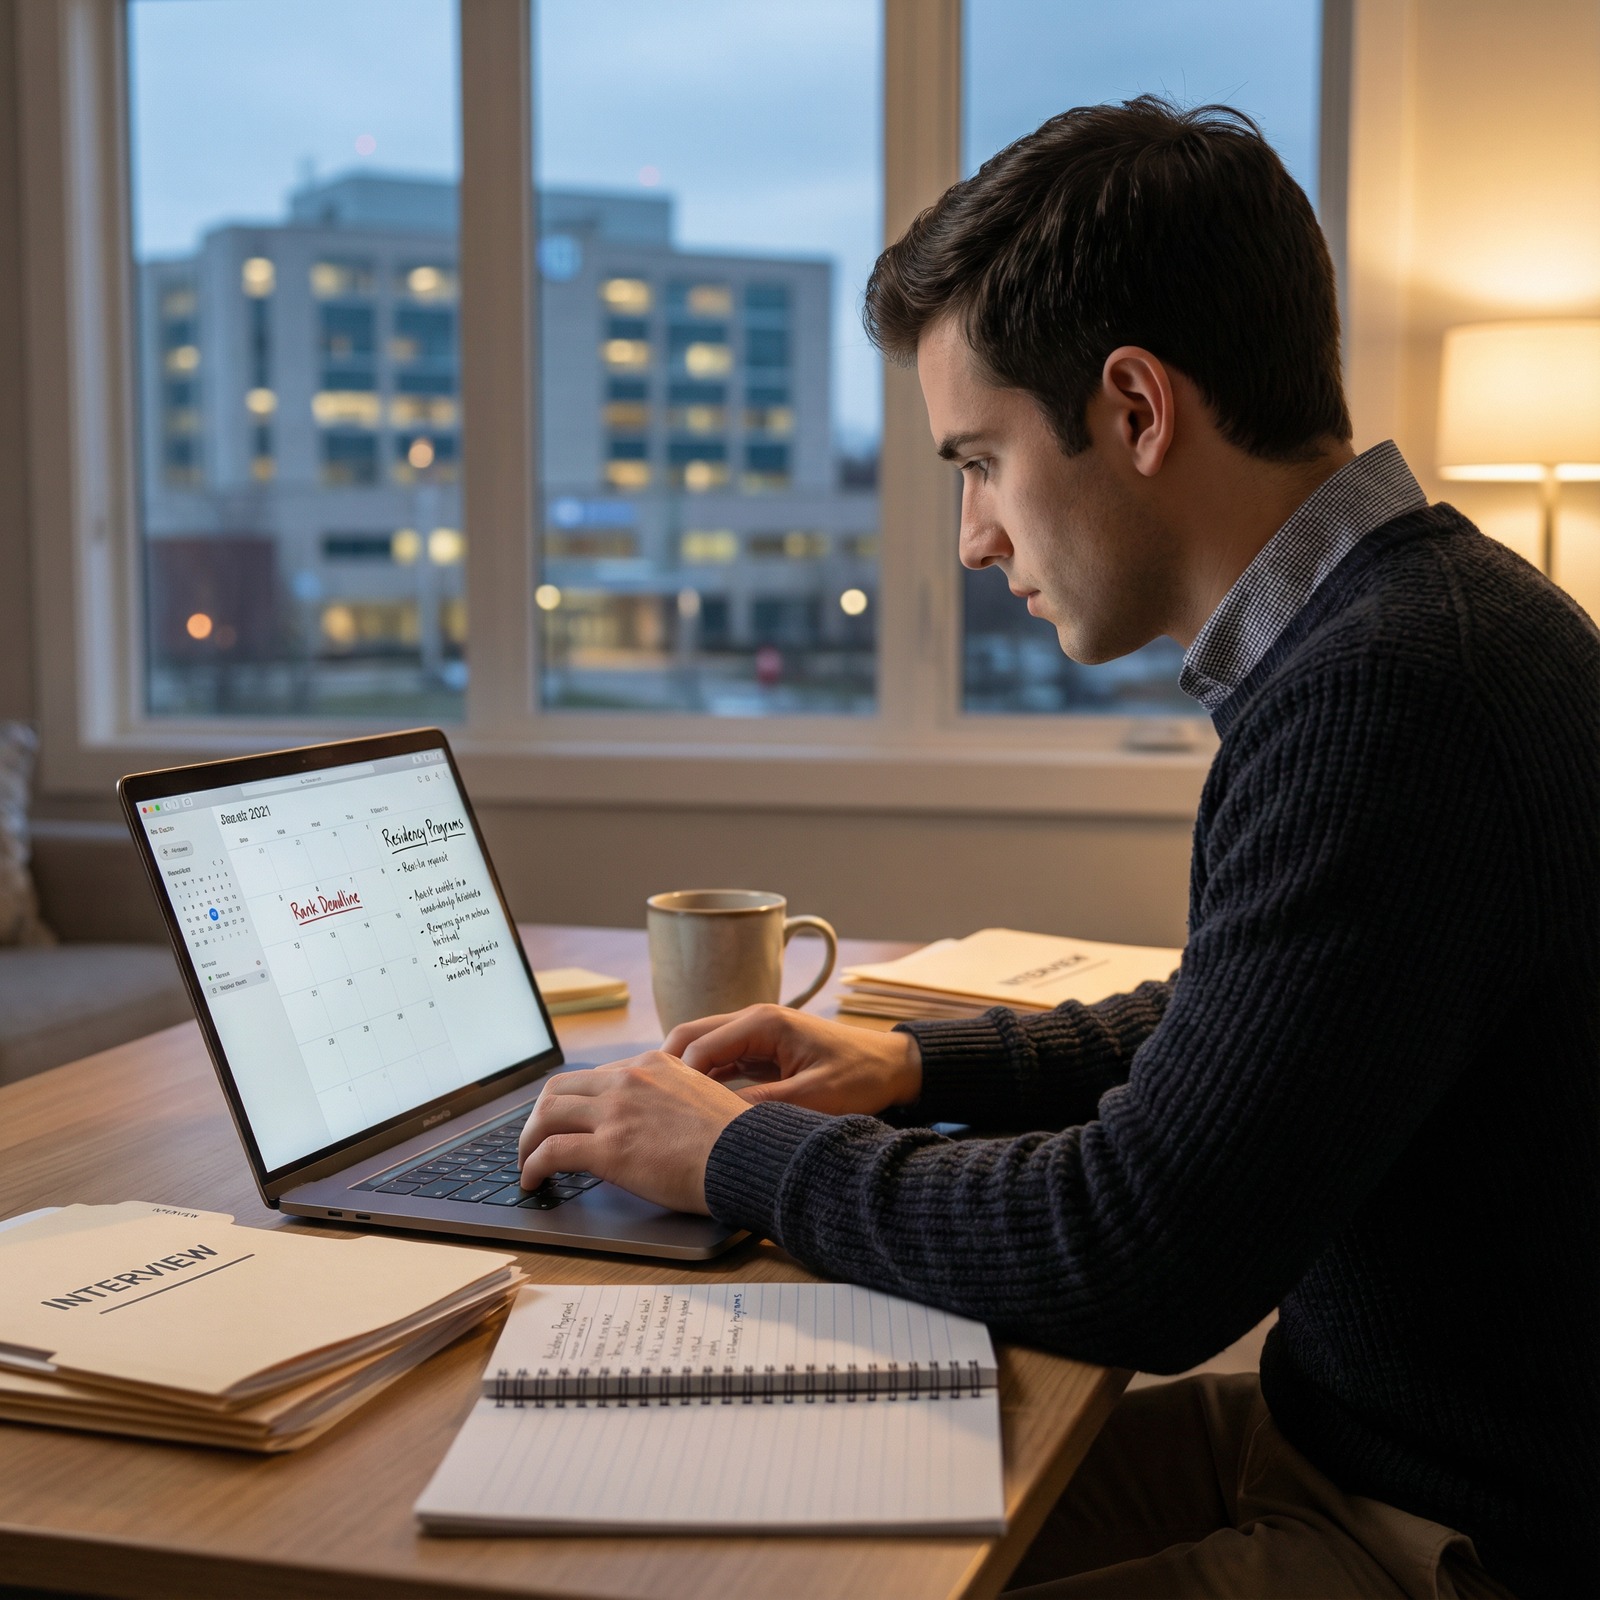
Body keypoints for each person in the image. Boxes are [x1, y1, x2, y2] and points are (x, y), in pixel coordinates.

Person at [517, 99, 1598, 1599]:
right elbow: (1270, 1015)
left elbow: (1141, 1254)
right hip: (1346, 1437)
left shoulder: (1395, 697)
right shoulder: (1414, 632)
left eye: (979, 459)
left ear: (1136, 409)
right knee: (743, 1534)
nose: (972, 538)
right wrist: (919, 1068)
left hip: (1441, 1534)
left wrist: (740, 1153)